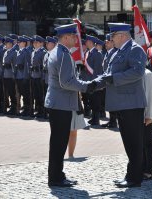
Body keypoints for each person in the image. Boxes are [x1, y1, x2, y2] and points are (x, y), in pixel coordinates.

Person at [95, 23, 147, 188]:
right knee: (128, 142)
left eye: (113, 36)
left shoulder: (134, 49)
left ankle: (134, 178)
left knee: (134, 143)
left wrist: (114, 78)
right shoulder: (117, 51)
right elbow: (108, 74)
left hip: (131, 103)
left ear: (122, 36)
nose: (111, 39)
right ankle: (131, 175)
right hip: (122, 104)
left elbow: (137, 72)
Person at [44, 23, 96, 187]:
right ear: (66, 37)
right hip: (61, 104)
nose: (76, 39)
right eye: (74, 36)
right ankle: (56, 178)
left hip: (58, 103)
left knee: (57, 142)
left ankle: (57, 175)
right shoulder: (64, 54)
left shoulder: (57, 52)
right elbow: (66, 82)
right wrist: (86, 86)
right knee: (59, 143)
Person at [84, 35, 104, 125]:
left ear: (91, 43)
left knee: (96, 101)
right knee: (91, 100)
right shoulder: (88, 53)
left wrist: (95, 83)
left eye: (87, 41)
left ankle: (96, 119)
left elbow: (98, 71)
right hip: (89, 81)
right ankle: (93, 118)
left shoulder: (97, 54)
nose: (86, 43)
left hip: (94, 82)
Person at [100, 33, 118, 128]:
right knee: (109, 101)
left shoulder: (114, 52)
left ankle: (113, 121)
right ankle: (111, 120)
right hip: (108, 81)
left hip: (112, 81)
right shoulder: (108, 52)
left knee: (113, 102)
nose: (105, 44)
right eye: (105, 42)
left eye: (107, 42)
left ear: (112, 42)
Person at [15, 36, 31, 117]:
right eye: (18, 42)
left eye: (20, 42)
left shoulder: (26, 52)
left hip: (23, 76)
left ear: (24, 43)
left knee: (25, 94)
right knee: (20, 93)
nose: (18, 43)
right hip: (18, 75)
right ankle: (24, 109)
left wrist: (25, 77)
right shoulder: (19, 52)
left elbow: (27, 66)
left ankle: (27, 109)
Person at [31, 35, 46, 118]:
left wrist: (42, 77)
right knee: (36, 94)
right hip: (34, 75)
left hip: (40, 76)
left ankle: (43, 111)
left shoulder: (43, 52)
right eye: (34, 42)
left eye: (37, 42)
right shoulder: (34, 52)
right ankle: (39, 110)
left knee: (41, 94)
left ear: (41, 43)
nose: (35, 44)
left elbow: (44, 66)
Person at [68, 94, 87, 159]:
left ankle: (70, 155)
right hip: (74, 103)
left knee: (72, 132)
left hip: (71, 104)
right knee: (73, 132)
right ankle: (70, 155)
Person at [2, 36, 17, 115]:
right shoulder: (6, 52)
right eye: (5, 43)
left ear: (11, 44)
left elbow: (15, 65)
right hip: (5, 75)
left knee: (12, 92)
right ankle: (9, 106)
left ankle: (14, 107)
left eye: (7, 43)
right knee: (7, 92)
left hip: (11, 75)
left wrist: (14, 76)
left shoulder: (14, 52)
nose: (6, 45)